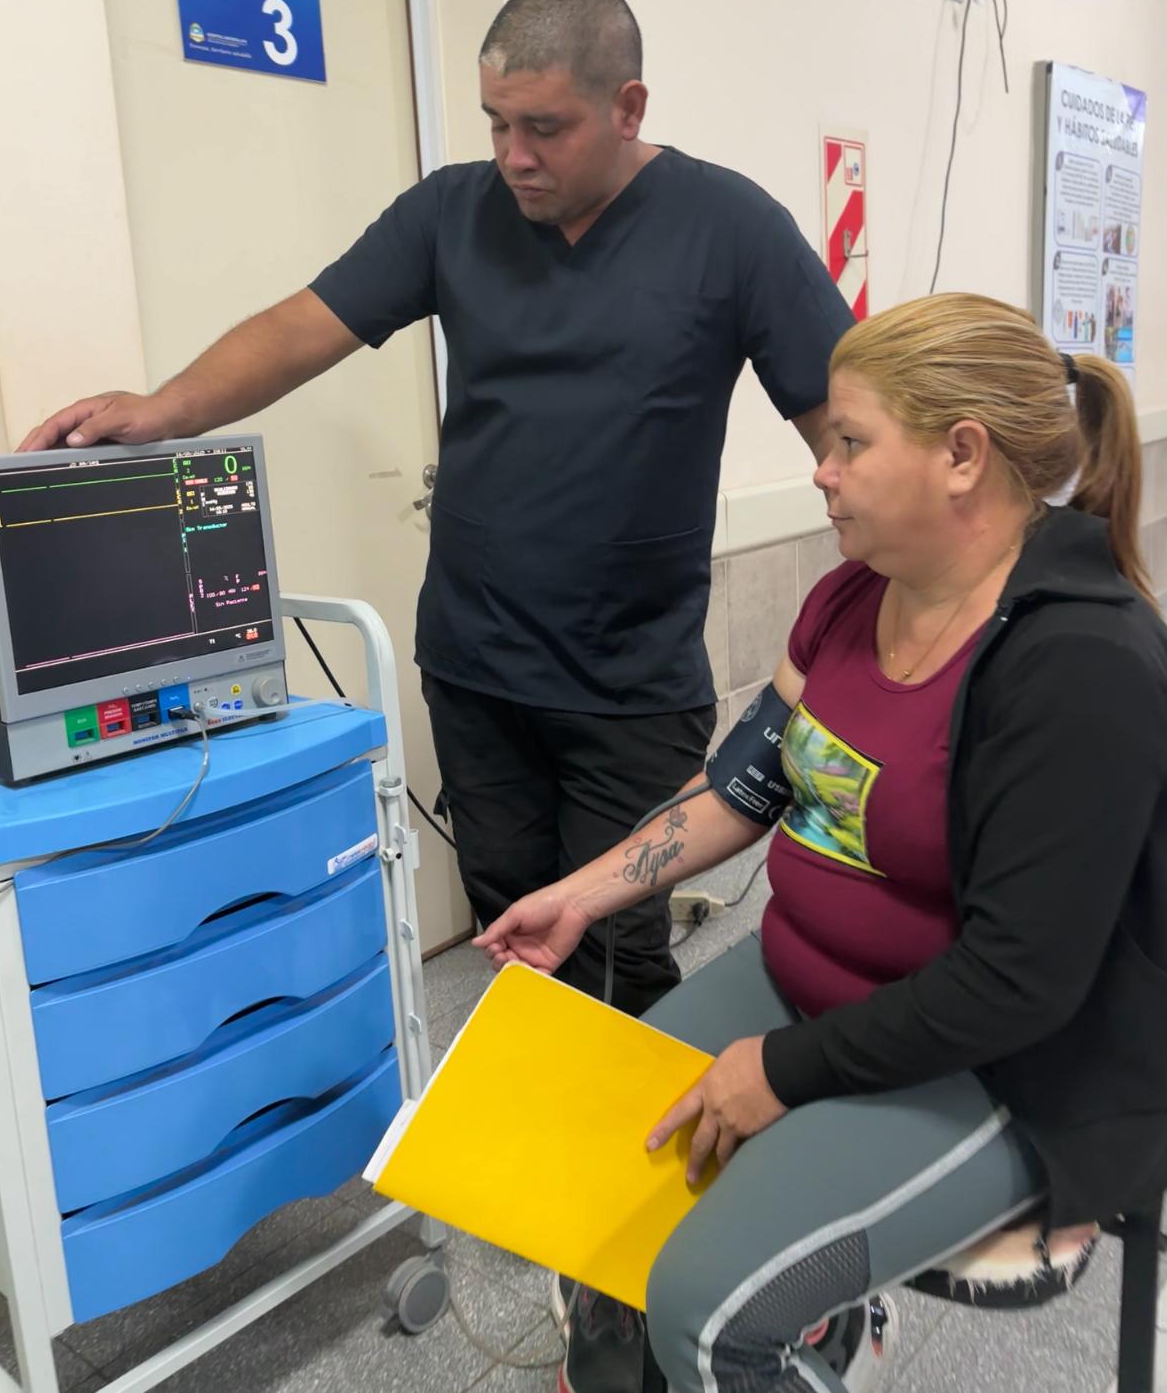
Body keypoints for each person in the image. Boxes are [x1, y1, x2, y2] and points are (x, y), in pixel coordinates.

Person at [19, 0, 850, 1019]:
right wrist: (164, 409)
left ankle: (630, 1123)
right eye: (497, 121)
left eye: (544, 127)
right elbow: (301, 327)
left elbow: (845, 424)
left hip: (630, 686)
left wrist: (891, 585)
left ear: (628, 107)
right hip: (476, 667)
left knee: (617, 955)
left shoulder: (731, 230)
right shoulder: (453, 212)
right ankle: (529, 1114)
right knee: (516, 933)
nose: (514, 155)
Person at [477, 292, 1167, 1393]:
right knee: (599, 1168)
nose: (821, 471)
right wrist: (583, 894)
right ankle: (794, 1326)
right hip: (813, 978)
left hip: (1003, 1060)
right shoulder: (852, 598)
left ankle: (779, 1332)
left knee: (707, 1315)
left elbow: (1017, 984)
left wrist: (781, 1072)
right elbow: (743, 788)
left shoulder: (1079, 665)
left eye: (849, 442)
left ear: (962, 456)